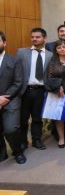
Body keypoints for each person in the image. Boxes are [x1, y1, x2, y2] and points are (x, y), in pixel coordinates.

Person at [17, 28, 52, 150]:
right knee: (23, 118)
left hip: (41, 91)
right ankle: (23, 142)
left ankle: (37, 140)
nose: (34, 39)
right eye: (32, 37)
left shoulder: (50, 55)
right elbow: (17, 72)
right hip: (25, 90)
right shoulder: (22, 52)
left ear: (44, 38)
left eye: (37, 37)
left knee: (37, 118)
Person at [0, 31, 27, 164]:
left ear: (4, 43)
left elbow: (18, 82)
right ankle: (2, 154)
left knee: (11, 129)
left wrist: (3, 98)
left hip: (11, 100)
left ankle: (18, 152)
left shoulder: (14, 60)